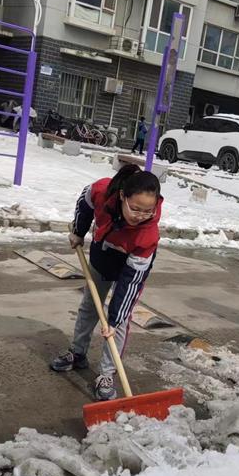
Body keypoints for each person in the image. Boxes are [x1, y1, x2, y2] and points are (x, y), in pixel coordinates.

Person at [50, 164, 162, 400]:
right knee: (90, 306)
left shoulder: (147, 235)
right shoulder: (103, 191)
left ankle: (107, 373)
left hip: (130, 267)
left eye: (147, 211)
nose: (140, 216)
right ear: (122, 196)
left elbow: (131, 283)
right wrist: (79, 231)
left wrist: (116, 318)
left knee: (117, 322)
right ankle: (77, 353)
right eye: (135, 208)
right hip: (103, 253)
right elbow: (85, 200)